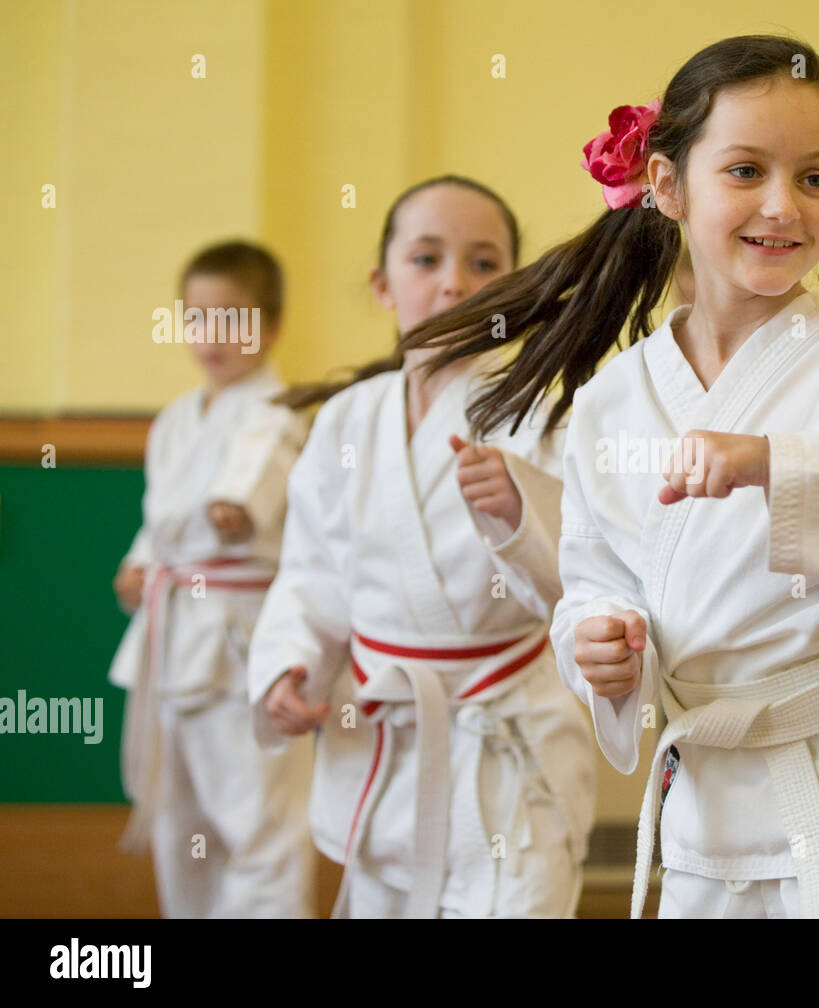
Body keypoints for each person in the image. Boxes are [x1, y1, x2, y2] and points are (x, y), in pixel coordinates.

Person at [399, 35, 819, 919]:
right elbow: (594, 581)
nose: (783, 206)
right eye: (746, 170)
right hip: (709, 809)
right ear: (667, 186)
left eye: (816, 179)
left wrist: (779, 464)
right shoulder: (616, 398)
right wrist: (598, 644)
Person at [247, 176, 596, 918]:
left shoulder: (542, 415)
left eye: (483, 263)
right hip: (384, 734)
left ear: (517, 287)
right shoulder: (346, 423)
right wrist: (289, 662)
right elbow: (313, 575)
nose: (454, 285)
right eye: (427, 259)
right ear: (383, 282)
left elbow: (590, 586)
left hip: (505, 739)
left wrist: (517, 517)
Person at [109, 240, 314, 918]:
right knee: (181, 820)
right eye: (198, 318)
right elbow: (163, 519)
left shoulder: (279, 407)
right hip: (172, 635)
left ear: (272, 326)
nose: (213, 335)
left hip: (238, 638)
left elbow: (247, 490)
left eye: (234, 317)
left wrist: (236, 507)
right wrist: (140, 564)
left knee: (257, 817)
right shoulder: (175, 420)